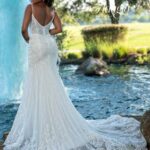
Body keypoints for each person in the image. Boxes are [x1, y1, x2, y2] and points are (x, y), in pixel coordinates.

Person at [3, 0, 148, 149]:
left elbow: (23, 30)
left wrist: (31, 40)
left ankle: (41, 122)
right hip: (50, 45)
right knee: (51, 80)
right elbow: (58, 29)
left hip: (37, 45)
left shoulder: (30, 8)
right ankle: (56, 119)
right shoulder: (51, 9)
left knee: (37, 82)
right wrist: (47, 33)